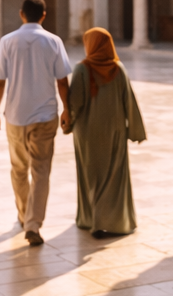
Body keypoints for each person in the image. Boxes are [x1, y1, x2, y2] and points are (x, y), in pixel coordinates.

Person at [0, 0, 72, 246]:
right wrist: (67, 110)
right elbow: (62, 80)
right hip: (45, 116)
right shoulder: (54, 41)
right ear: (44, 16)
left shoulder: (7, 41)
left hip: (15, 116)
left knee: (18, 168)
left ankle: (25, 215)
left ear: (21, 14)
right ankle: (33, 224)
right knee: (41, 171)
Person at [62, 27, 146, 237]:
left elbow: (76, 103)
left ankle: (92, 220)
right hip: (115, 130)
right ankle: (116, 222)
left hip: (88, 133)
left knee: (92, 175)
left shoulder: (82, 69)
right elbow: (129, 100)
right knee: (115, 176)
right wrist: (135, 129)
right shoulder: (119, 69)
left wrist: (67, 123)